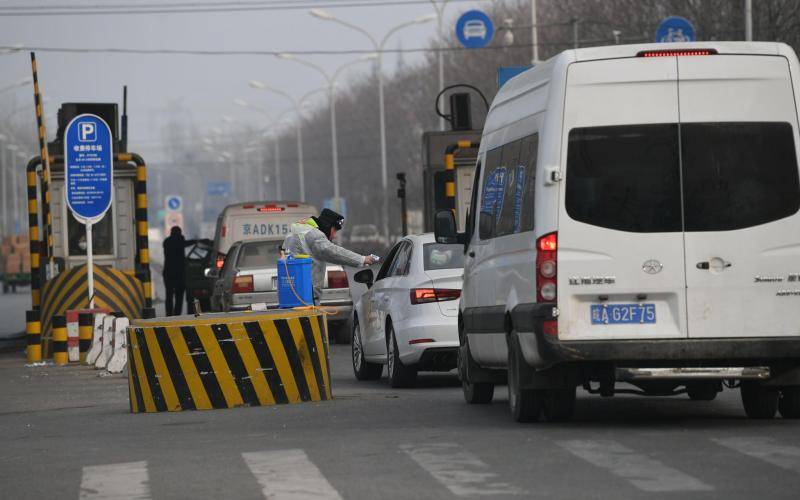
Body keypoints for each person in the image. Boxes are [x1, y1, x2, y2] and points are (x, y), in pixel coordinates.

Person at [283, 209, 377, 302]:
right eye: (334, 230)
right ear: (327, 225)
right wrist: (362, 259)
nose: (334, 235)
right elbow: (333, 252)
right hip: (307, 295)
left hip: (290, 293)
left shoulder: (296, 231)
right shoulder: (315, 236)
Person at [162, 226, 195, 316]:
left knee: (169, 295)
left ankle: (169, 314)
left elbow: (181, 243)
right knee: (179, 296)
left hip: (168, 273)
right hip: (180, 273)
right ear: (180, 233)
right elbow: (184, 243)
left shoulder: (166, 242)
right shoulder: (180, 240)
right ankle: (177, 314)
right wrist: (197, 240)